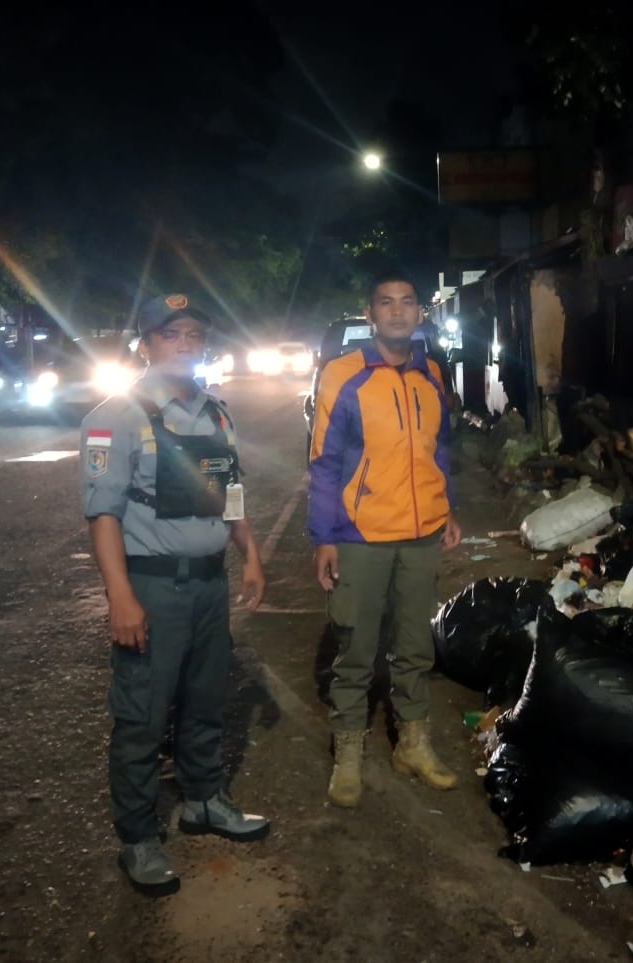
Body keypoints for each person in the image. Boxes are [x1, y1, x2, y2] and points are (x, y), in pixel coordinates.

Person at [80, 293, 269, 897]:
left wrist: (251, 555)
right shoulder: (113, 418)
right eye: (170, 335)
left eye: (194, 334)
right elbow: (103, 514)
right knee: (141, 716)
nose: (185, 345)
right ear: (146, 345)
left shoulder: (217, 416)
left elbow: (229, 492)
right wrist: (120, 596)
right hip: (153, 587)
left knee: (205, 700)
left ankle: (205, 800)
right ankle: (138, 838)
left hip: (210, 581)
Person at [307, 268, 463, 808]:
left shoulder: (432, 375)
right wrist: (324, 536)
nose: (397, 311)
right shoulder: (343, 374)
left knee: (415, 646)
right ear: (370, 314)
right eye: (386, 302)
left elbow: (438, 449)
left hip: (421, 535)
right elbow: (324, 462)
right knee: (355, 648)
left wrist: (450, 510)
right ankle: (348, 752)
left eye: (407, 302)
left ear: (420, 312)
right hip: (361, 536)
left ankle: (413, 744)